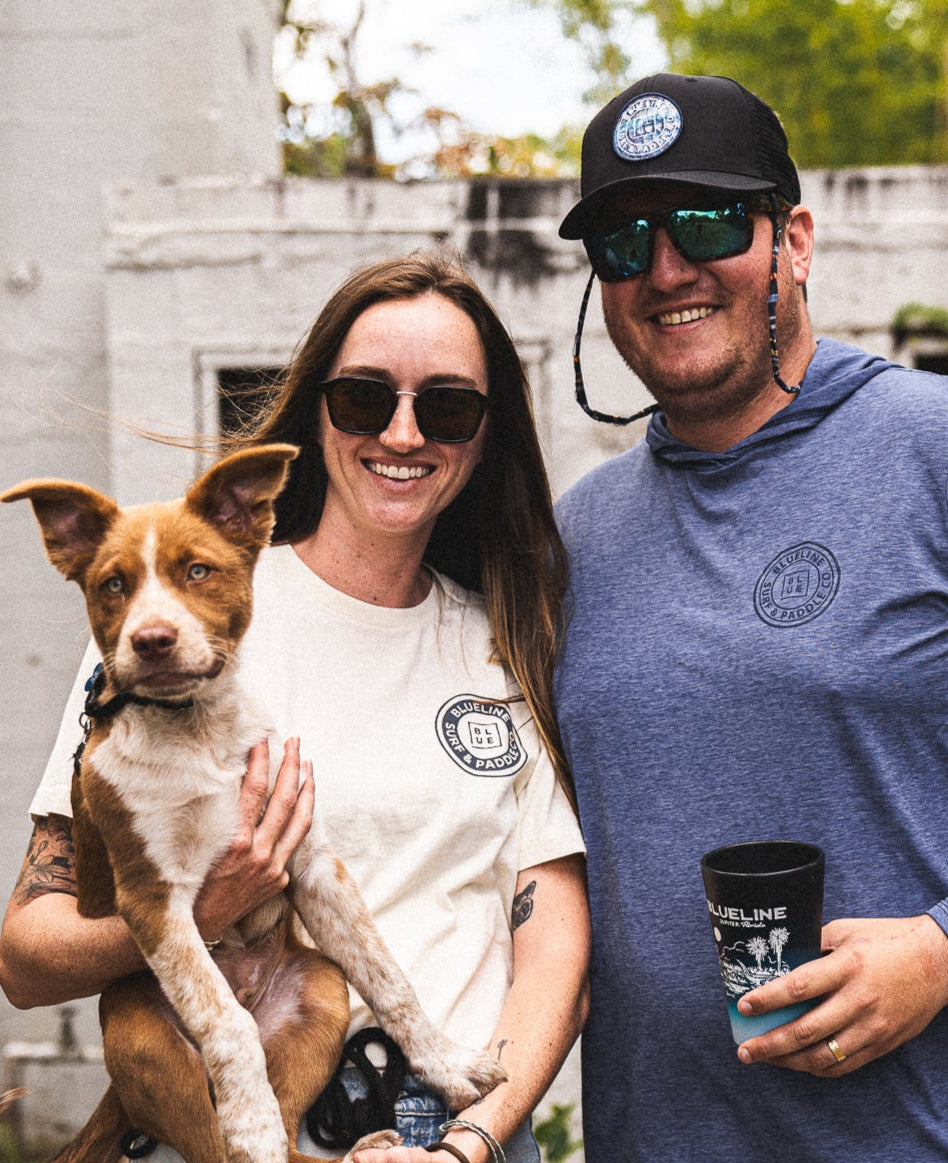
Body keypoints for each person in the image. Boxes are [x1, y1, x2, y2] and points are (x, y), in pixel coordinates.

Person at [552, 72, 948, 1160]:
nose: (667, 269)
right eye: (623, 242)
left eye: (707, 222)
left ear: (793, 240)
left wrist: (946, 950)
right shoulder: (577, 535)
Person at [0, 254, 590, 1163]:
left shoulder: (503, 641)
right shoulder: (166, 633)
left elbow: (554, 951)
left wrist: (469, 1144)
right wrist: (202, 910)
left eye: (446, 406)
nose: (402, 432)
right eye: (362, 398)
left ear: (485, 434)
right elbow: (25, 958)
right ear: (318, 411)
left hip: (453, 1140)